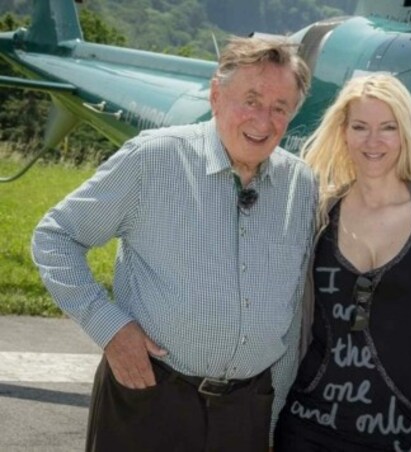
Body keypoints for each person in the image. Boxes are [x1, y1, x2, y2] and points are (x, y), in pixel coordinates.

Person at [31, 37, 316, 452]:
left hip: (246, 414)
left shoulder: (302, 186)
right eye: (250, 100)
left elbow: (290, 317)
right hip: (149, 396)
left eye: (280, 108)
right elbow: (55, 236)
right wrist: (111, 328)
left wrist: (272, 420)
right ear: (216, 95)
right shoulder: (155, 159)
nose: (263, 120)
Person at [273, 73, 411, 452]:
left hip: (403, 434)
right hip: (308, 426)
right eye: (360, 127)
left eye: (387, 127)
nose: (373, 141)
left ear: (405, 134)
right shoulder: (319, 212)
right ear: (343, 132)